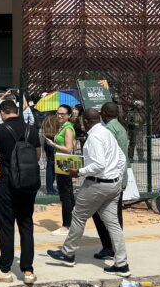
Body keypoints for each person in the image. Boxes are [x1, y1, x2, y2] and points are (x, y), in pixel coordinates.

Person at [46, 109, 130, 276]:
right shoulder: (106, 133)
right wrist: (117, 177)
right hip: (113, 184)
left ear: (85, 121)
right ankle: (122, 264)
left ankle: (67, 253)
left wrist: (79, 171)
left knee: (78, 215)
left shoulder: (94, 137)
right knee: (113, 224)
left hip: (98, 184)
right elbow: (121, 158)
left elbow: (98, 164)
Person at [0, 99, 40, 286]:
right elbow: (37, 155)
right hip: (28, 183)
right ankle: (28, 270)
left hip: (8, 183)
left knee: (6, 226)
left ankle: (5, 268)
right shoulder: (31, 129)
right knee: (26, 224)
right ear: (16, 111)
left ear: (2, 113)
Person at [94, 102, 128, 262]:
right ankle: (116, 247)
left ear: (105, 113)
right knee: (116, 214)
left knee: (98, 213)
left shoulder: (107, 130)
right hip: (120, 176)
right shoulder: (121, 128)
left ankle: (109, 246)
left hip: (107, 177)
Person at [42, 105, 76, 236]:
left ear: (69, 115)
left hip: (65, 161)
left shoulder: (68, 129)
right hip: (61, 161)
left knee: (65, 194)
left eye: (63, 114)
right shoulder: (62, 127)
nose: (60, 116)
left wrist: (53, 145)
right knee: (68, 193)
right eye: (58, 113)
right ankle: (72, 223)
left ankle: (66, 226)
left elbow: (69, 148)